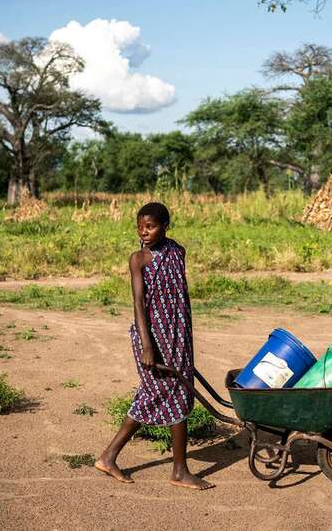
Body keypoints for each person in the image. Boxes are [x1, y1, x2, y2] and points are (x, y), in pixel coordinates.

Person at [95, 202, 213, 490]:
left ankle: (111, 458)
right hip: (152, 339)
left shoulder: (178, 252)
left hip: (178, 336)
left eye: (150, 226)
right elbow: (138, 303)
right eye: (140, 227)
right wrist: (147, 345)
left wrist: (181, 339)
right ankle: (177, 471)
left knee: (170, 393)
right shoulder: (139, 259)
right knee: (166, 392)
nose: (144, 232)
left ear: (165, 226)